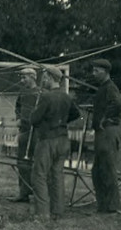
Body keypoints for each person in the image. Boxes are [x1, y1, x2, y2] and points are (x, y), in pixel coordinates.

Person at [27, 66, 82, 220]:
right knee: (57, 175)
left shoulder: (46, 97)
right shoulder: (66, 97)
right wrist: (62, 122)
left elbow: (34, 119)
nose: (42, 80)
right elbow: (76, 114)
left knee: (39, 175)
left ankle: (42, 213)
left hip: (47, 141)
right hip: (63, 139)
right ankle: (57, 212)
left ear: (50, 78)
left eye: (44, 77)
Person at [89, 58, 121, 214]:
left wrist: (104, 119)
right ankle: (103, 205)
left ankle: (112, 207)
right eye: (93, 70)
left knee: (108, 169)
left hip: (108, 131)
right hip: (102, 132)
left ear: (105, 71)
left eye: (97, 71)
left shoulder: (110, 87)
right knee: (98, 170)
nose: (93, 73)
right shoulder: (102, 88)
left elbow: (116, 103)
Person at [11, 66, 42, 203]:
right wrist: (18, 118)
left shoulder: (41, 93)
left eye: (24, 77)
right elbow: (18, 107)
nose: (22, 80)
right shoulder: (22, 92)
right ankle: (23, 193)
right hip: (23, 130)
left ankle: (38, 194)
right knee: (21, 162)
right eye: (21, 77)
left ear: (33, 77)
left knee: (37, 163)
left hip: (36, 132)